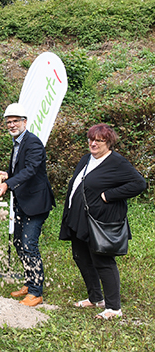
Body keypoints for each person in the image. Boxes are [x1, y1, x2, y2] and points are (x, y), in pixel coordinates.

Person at [59, 123, 146, 320]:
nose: (93, 143)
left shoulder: (116, 162)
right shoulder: (86, 159)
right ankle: (95, 298)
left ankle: (114, 308)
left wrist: (110, 195)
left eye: (99, 140)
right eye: (91, 139)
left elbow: (139, 183)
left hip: (100, 221)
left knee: (103, 261)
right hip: (79, 218)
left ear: (109, 142)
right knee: (81, 257)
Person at [0, 104, 55, 306]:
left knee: (29, 245)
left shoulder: (33, 143)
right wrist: (7, 175)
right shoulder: (17, 143)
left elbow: (30, 170)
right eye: (8, 122)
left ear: (24, 122)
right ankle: (30, 283)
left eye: (15, 121)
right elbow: (22, 170)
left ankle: (36, 292)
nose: (11, 125)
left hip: (36, 203)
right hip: (23, 201)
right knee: (19, 243)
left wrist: (7, 185)